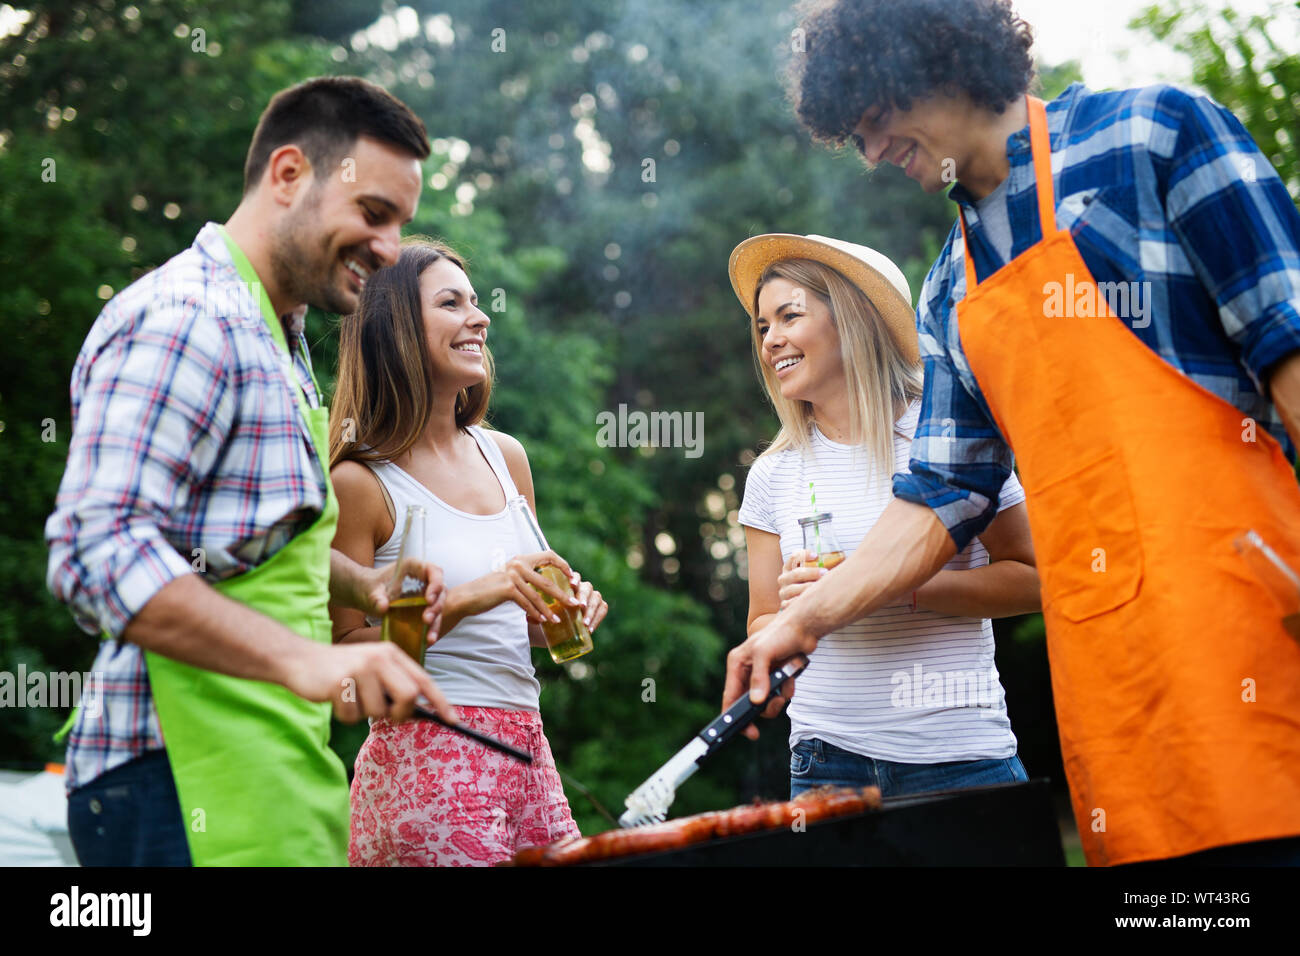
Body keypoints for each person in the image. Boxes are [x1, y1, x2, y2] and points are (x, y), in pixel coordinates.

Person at [725, 0, 1300, 866]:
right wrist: (799, 622)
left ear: (931, 54)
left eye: (876, 120)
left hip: (1266, 639)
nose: (874, 152)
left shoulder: (1157, 136)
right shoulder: (951, 284)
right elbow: (937, 500)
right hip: (1117, 692)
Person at [45, 76, 459, 867]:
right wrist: (311, 660)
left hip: (274, 773)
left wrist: (366, 589)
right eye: (374, 214)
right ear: (289, 174)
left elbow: (240, 546)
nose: (390, 248)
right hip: (174, 777)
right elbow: (96, 551)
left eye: (400, 224)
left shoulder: (284, 337)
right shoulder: (187, 318)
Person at [329, 238, 607, 866]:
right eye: (451, 304)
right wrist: (475, 595)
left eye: (476, 303)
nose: (479, 318)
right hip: (427, 759)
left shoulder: (504, 455)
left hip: (528, 752)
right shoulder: (361, 483)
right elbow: (344, 672)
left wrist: (564, 610)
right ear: (395, 328)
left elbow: (522, 624)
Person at [731, 233, 1040, 798]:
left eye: (788, 316)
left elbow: (1036, 579)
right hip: (825, 764)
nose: (770, 340)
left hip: (960, 757)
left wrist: (892, 585)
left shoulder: (947, 441)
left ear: (852, 319)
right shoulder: (772, 475)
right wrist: (782, 637)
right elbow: (762, 622)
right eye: (762, 326)